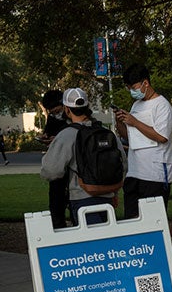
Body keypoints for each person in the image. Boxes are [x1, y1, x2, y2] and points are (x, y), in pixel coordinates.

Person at [39, 88, 126, 225]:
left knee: (89, 242)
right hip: (107, 196)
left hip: (81, 197)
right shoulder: (105, 132)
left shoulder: (66, 135)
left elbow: (50, 171)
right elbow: (123, 164)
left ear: (67, 109)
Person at [113, 64, 172, 219]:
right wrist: (120, 121)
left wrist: (134, 121)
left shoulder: (162, 106)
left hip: (155, 175)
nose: (131, 92)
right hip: (134, 173)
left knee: (153, 221)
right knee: (132, 221)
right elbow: (128, 136)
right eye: (128, 88)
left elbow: (162, 136)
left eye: (133, 87)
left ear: (145, 83)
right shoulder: (136, 105)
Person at [40, 89, 71, 228]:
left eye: (56, 111)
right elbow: (48, 131)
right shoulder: (52, 118)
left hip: (72, 165)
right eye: (51, 112)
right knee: (56, 204)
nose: (55, 114)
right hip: (57, 164)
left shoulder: (72, 116)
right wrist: (46, 137)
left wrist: (58, 138)